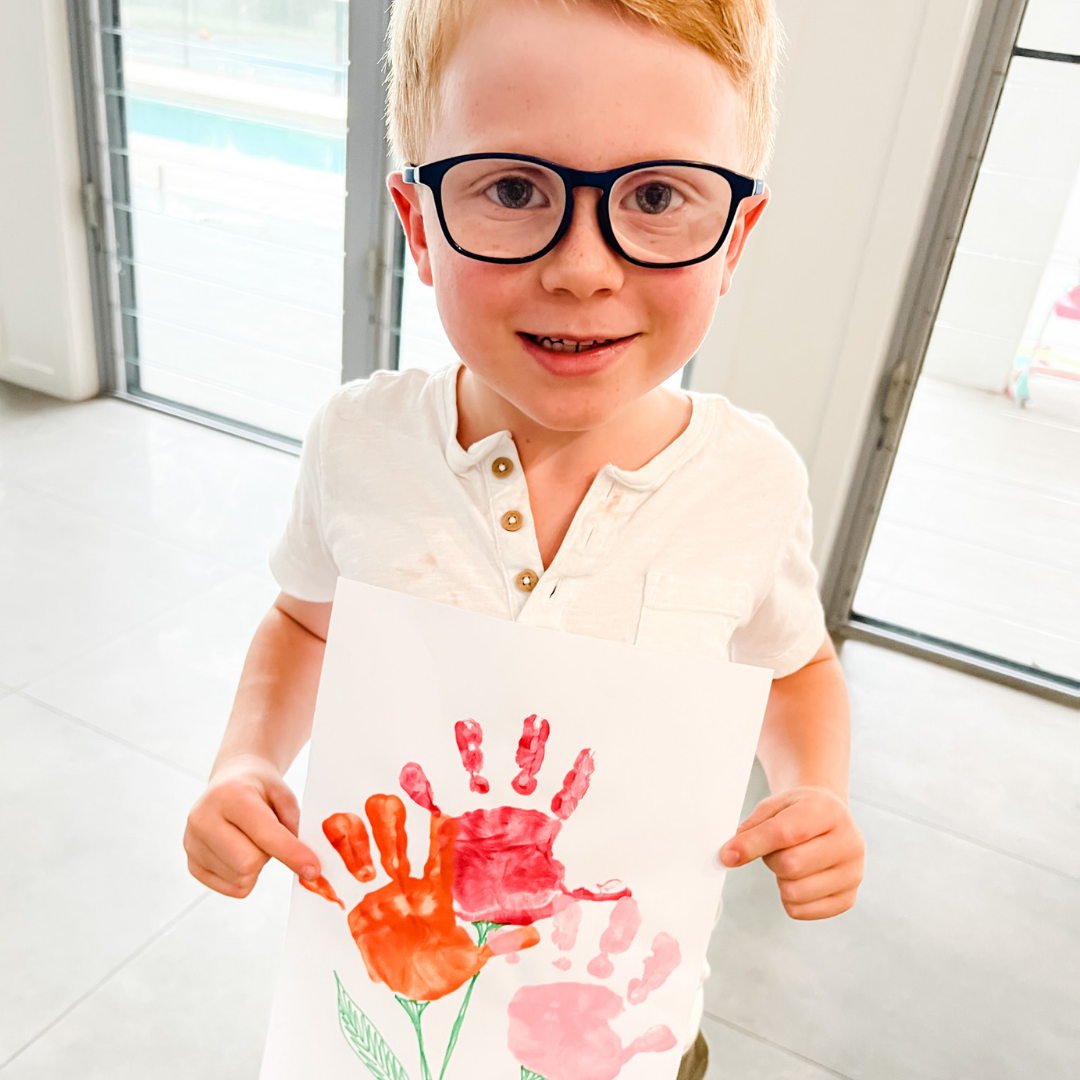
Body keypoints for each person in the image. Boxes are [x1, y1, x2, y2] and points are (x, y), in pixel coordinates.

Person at [184, 1, 865, 1076]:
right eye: (512, 189)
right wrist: (246, 757)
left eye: (655, 195)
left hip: (622, 1025)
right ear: (417, 223)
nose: (585, 269)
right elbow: (303, 625)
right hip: (385, 1006)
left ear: (735, 238)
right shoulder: (357, 443)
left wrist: (813, 790)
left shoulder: (752, 482)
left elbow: (795, 669)